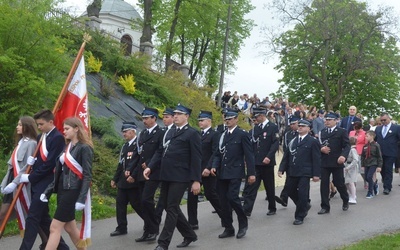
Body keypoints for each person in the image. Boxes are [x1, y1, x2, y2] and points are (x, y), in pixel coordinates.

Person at [144, 104, 201, 250]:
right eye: (174, 114)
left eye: (179, 114)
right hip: (166, 175)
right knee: (170, 206)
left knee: (172, 208)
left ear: (186, 116)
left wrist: (196, 180)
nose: (175, 116)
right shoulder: (169, 132)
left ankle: (163, 243)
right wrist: (150, 166)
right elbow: (160, 151)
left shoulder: (192, 133)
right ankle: (189, 234)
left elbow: (196, 158)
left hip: (180, 177)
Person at [18, 109, 69, 250]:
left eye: (41, 124)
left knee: (33, 216)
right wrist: (33, 163)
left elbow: (51, 163)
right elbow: (41, 159)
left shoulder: (57, 138)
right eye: (38, 124)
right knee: (43, 218)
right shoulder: (42, 136)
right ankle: (63, 248)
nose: (39, 127)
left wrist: (31, 176)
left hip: (47, 182)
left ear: (50, 122)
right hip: (38, 182)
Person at [41, 117, 93, 249]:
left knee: (54, 227)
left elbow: (87, 175)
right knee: (70, 227)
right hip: (63, 189)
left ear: (76, 129)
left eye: (67, 129)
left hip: (73, 190)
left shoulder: (84, 148)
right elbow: (59, 173)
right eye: (63, 129)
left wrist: (81, 199)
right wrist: (48, 191)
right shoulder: (67, 147)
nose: (64, 131)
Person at [211, 109, 255, 239]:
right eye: (226, 119)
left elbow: (249, 155)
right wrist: (214, 166)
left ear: (236, 119)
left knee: (232, 198)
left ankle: (243, 224)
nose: (228, 121)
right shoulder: (223, 135)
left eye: (230, 119)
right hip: (223, 172)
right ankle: (228, 227)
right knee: (223, 201)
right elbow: (218, 153)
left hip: (236, 171)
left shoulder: (242, 134)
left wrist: (251, 173)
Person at [0, 116, 40, 237]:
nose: (17, 127)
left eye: (20, 125)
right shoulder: (20, 143)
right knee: (2, 214)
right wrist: (4, 183)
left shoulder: (32, 144)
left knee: (28, 217)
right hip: (11, 182)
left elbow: (27, 167)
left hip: (21, 184)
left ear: (27, 127)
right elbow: (11, 167)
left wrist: (14, 183)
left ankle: (48, 241)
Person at [278, 119, 320, 225]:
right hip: (293, 170)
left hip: (305, 171)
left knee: (302, 193)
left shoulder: (312, 141)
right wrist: (281, 169)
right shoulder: (293, 141)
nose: (300, 127)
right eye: (299, 126)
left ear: (308, 129)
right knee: (290, 191)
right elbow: (286, 156)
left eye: (303, 126)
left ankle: (299, 216)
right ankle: (304, 205)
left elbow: (316, 159)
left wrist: (316, 174)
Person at [187, 110, 223, 230]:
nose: (200, 123)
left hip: (208, 169)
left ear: (209, 121)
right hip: (196, 169)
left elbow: (215, 152)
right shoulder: (197, 134)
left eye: (202, 120)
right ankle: (192, 222)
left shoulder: (215, 134)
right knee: (192, 194)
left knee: (210, 194)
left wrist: (208, 167)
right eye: (199, 121)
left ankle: (224, 216)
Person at [134, 107, 164, 243]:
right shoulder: (143, 134)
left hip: (154, 172)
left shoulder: (161, 133)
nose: (144, 120)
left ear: (154, 118)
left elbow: (160, 152)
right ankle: (147, 230)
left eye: (147, 118)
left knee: (147, 199)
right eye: (143, 118)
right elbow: (138, 154)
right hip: (141, 172)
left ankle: (154, 229)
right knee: (142, 202)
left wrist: (150, 165)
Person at [243, 108, 279, 217]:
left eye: (257, 117)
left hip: (267, 162)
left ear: (262, 116)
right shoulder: (255, 129)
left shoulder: (273, 127)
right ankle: (247, 209)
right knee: (252, 185)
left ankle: (272, 207)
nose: (255, 119)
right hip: (256, 162)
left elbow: (275, 143)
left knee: (269, 186)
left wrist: (269, 156)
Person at [110, 122, 144, 236]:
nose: (123, 134)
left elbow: (139, 163)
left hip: (133, 180)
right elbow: (121, 164)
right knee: (120, 203)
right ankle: (121, 227)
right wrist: (115, 179)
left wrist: (133, 175)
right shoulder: (125, 146)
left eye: (126, 131)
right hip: (123, 181)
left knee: (137, 204)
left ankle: (151, 222)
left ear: (133, 131)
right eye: (123, 132)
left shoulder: (138, 144)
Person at [318, 112, 350, 215]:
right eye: (326, 120)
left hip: (337, 161)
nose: (327, 122)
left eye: (329, 120)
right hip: (325, 161)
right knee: (324, 184)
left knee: (339, 183)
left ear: (336, 120)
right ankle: (325, 206)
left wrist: (343, 156)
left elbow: (347, 145)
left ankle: (345, 199)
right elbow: (318, 144)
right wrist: (321, 149)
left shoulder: (341, 132)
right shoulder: (322, 132)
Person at [275, 116, 299, 207]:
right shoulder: (287, 134)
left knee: (301, 183)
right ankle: (284, 198)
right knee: (289, 181)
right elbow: (285, 148)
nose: (292, 126)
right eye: (291, 124)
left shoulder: (302, 133)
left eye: (294, 124)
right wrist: (282, 167)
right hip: (290, 161)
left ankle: (305, 200)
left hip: (300, 162)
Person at [374, 113, 400, 195]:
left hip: (391, 152)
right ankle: (386, 182)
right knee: (382, 170)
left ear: (389, 119)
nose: (383, 121)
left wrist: (395, 146)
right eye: (381, 120)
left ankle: (387, 187)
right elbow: (375, 139)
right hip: (380, 152)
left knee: (388, 169)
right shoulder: (378, 128)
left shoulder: (396, 128)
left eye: (384, 120)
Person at [361, 131, 383, 198]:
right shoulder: (365, 146)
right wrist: (362, 164)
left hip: (373, 163)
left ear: (372, 136)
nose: (366, 137)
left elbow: (379, 156)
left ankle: (370, 192)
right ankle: (375, 185)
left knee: (369, 176)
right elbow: (363, 156)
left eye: (367, 136)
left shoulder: (376, 145)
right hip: (367, 163)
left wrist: (379, 166)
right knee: (366, 178)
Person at [349, 121, 367, 189]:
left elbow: (366, 144)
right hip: (352, 151)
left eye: (357, 128)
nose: (356, 129)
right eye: (355, 128)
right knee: (352, 169)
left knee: (361, 170)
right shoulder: (351, 132)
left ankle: (366, 180)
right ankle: (353, 184)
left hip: (360, 152)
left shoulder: (364, 133)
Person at [344, 137, 359, 204]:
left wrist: (349, 167)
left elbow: (355, 160)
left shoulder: (353, 150)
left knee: (351, 182)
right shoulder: (348, 149)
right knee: (347, 182)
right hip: (346, 166)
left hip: (352, 167)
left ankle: (353, 196)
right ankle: (351, 194)